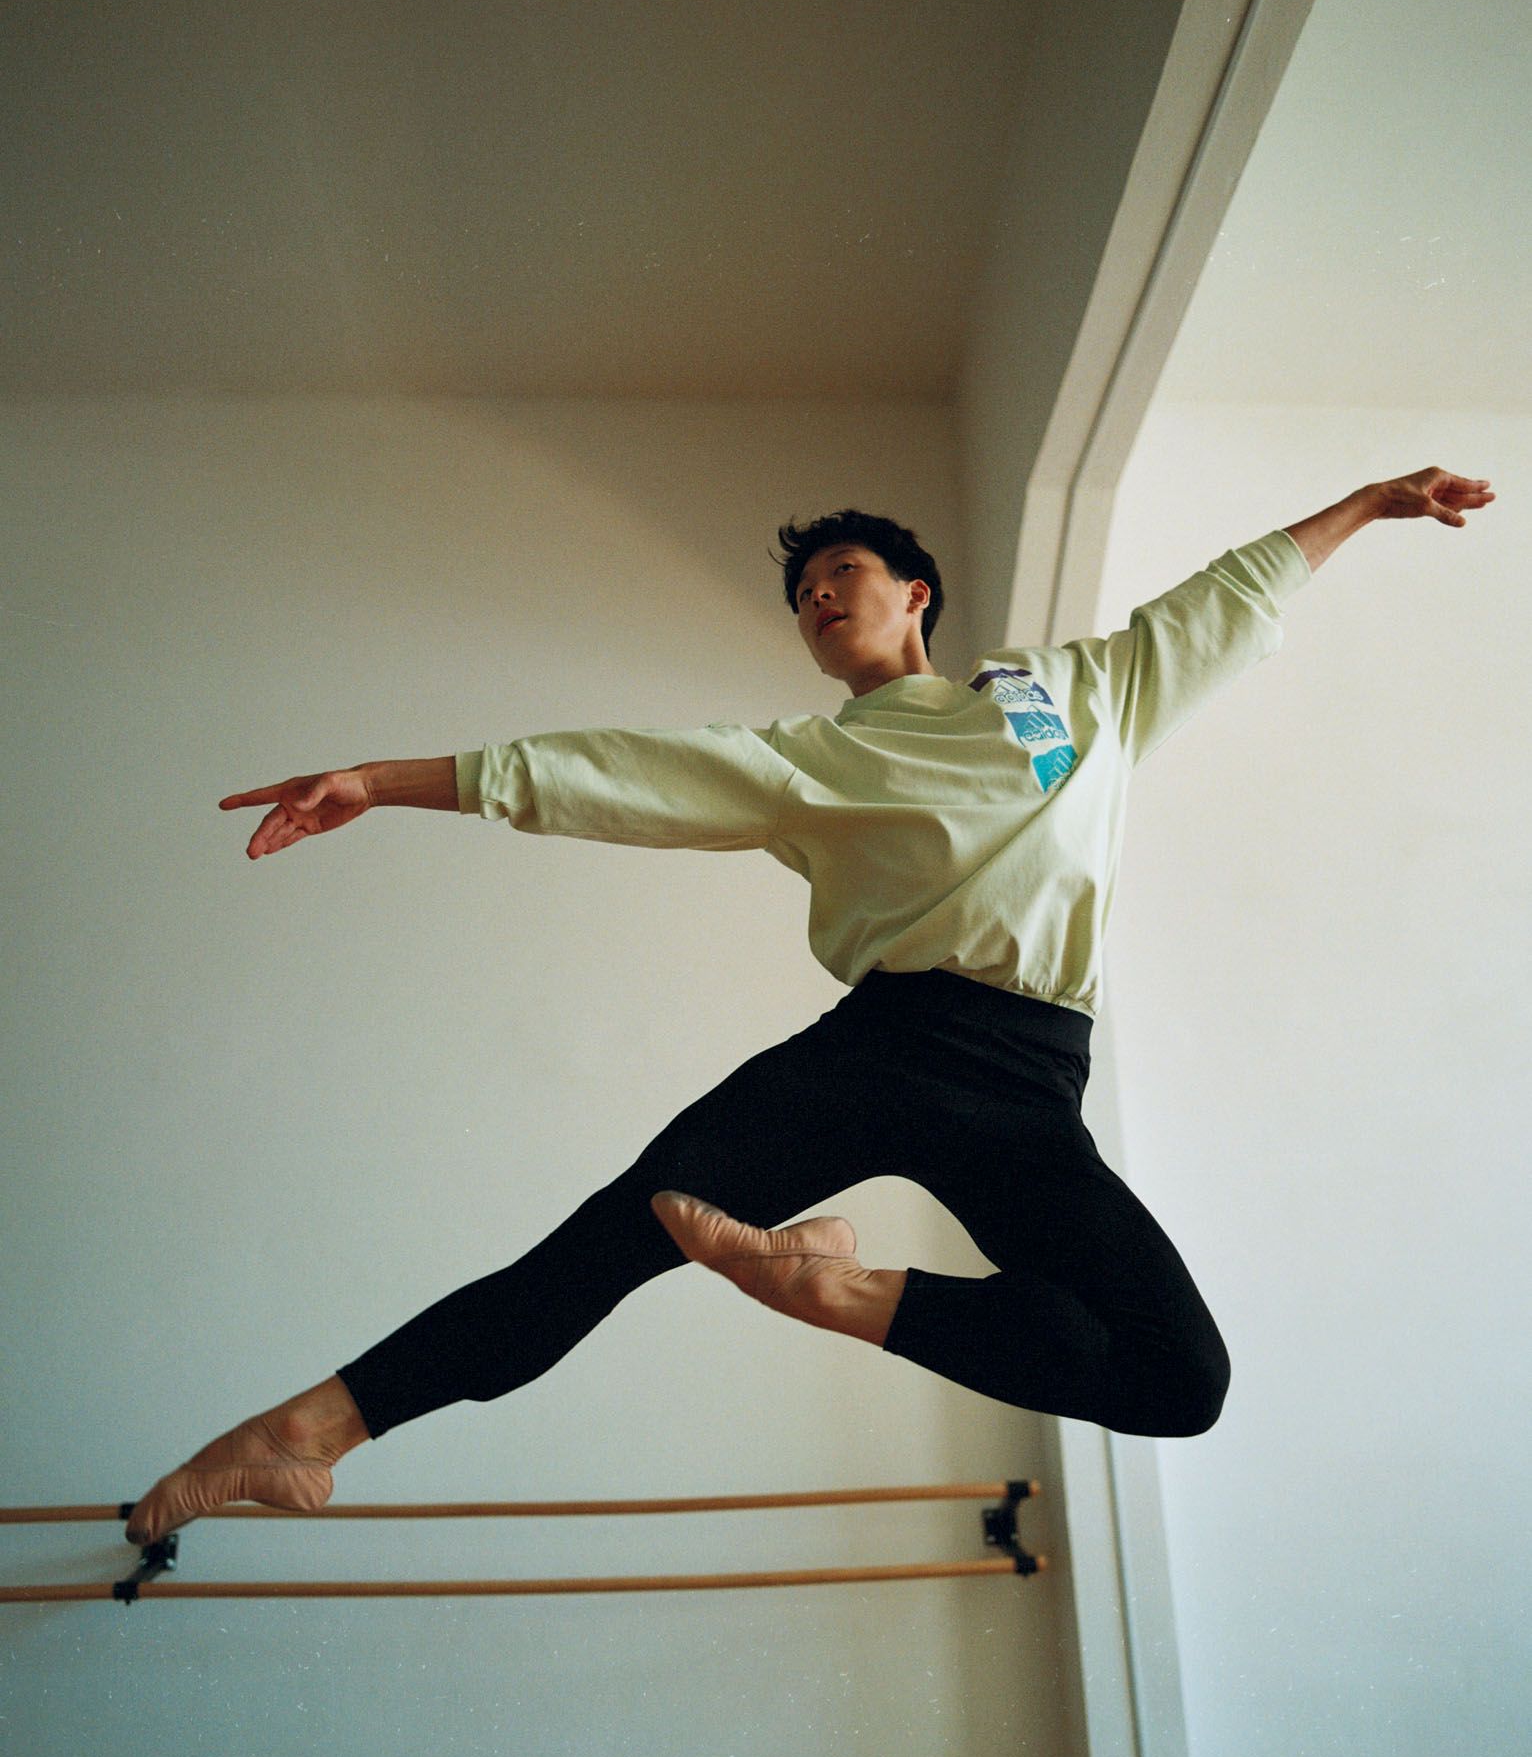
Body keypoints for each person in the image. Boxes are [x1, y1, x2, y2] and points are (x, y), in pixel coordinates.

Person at [125, 466, 1495, 1548]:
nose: (819, 596)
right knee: (611, 1244)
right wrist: (381, 777)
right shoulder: (806, 759)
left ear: (918, 592)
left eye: (841, 571)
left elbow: (1223, 601)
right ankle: (304, 1434)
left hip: (1028, 1080)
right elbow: (610, 772)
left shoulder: (1076, 693)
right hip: (880, 1050)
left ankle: (845, 1293)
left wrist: (1371, 504)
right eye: (802, 593)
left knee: (1178, 1380)